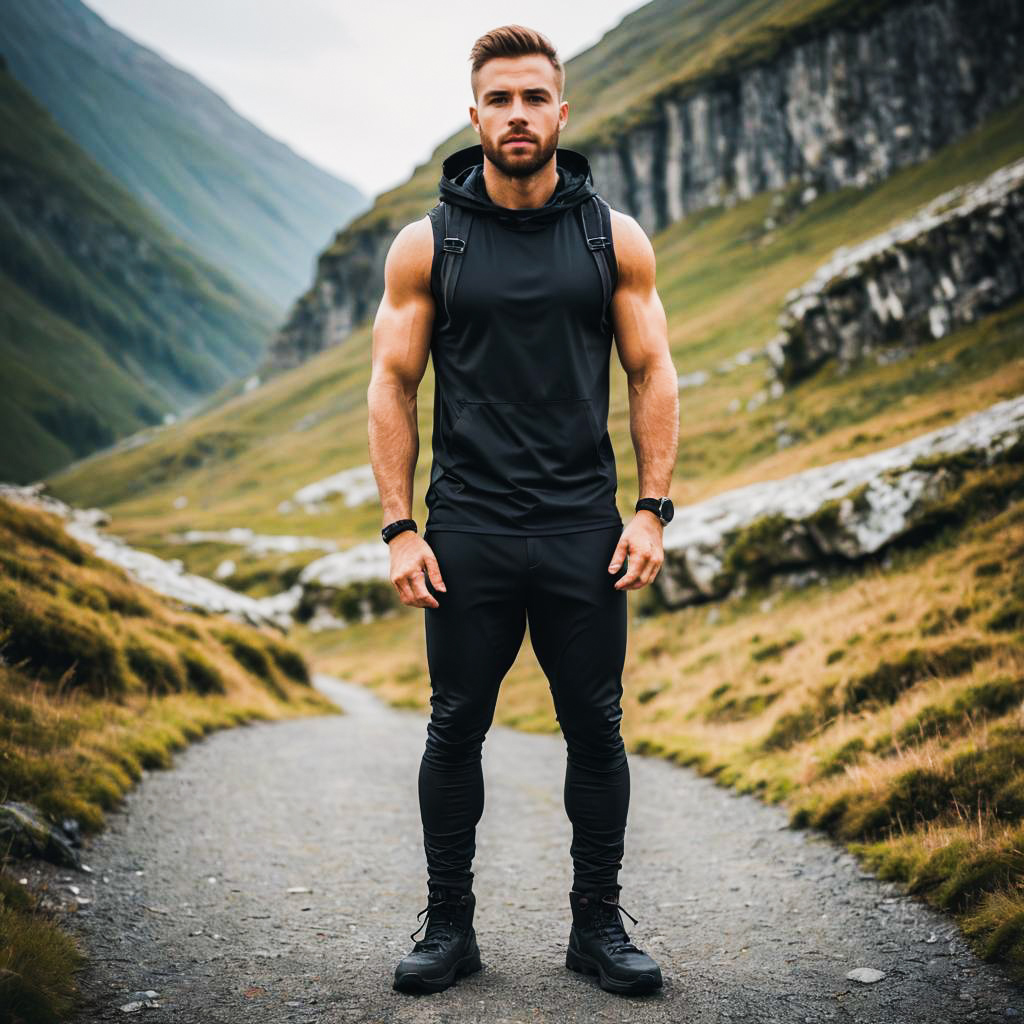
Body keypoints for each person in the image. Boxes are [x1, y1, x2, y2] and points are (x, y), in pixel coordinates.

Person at [367, 23, 678, 997]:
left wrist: (652, 508)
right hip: (470, 530)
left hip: (586, 528)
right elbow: (390, 382)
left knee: (597, 727)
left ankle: (597, 928)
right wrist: (399, 526)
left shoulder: (611, 236)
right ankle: (448, 927)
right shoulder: (430, 242)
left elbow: (651, 370)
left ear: (560, 113)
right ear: (474, 115)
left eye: (532, 98)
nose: (515, 115)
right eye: (498, 99)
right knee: (455, 725)